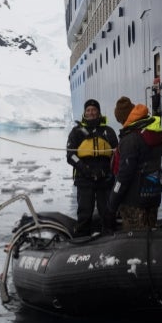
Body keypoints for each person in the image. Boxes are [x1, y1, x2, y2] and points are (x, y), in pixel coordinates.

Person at [107, 98, 162, 230]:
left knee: (135, 239)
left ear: (123, 118)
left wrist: (113, 202)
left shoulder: (130, 140)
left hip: (133, 201)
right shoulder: (154, 133)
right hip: (152, 194)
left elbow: (124, 175)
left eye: (120, 120)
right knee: (150, 235)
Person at [66, 99, 119, 236]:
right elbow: (71, 156)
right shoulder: (76, 132)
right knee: (85, 213)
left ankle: (109, 238)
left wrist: (105, 171)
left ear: (99, 112)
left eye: (94, 110)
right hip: (84, 180)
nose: (91, 113)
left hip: (104, 180)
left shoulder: (108, 132)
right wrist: (86, 170)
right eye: (88, 110)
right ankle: (82, 241)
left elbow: (116, 156)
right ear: (84, 113)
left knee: (107, 212)